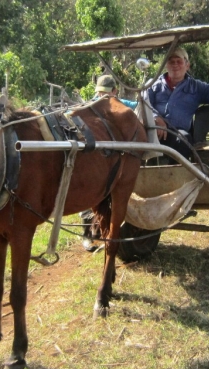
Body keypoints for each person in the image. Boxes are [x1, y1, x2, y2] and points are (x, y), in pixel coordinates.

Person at [80, 74, 138, 252]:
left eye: (106, 94)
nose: (102, 97)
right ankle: (87, 234)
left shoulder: (124, 105)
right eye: (99, 93)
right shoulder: (88, 106)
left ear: (115, 91)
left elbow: (140, 109)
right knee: (85, 191)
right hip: (94, 157)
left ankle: (112, 233)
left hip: (115, 156)